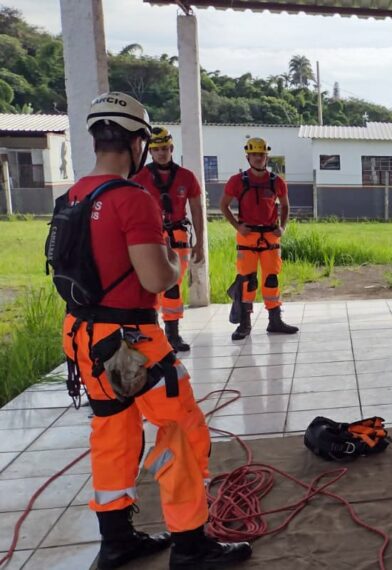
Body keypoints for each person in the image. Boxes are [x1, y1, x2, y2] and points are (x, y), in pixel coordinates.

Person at [64, 92, 250, 569]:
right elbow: (157, 279)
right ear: (138, 142)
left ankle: (116, 539)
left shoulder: (72, 196)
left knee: (113, 431)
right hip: (133, 342)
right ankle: (190, 545)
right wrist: (176, 260)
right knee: (181, 431)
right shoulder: (132, 199)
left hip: (83, 336)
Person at [131, 126, 204, 353]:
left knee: (173, 285)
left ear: (172, 149)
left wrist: (199, 242)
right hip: (149, 236)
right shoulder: (140, 177)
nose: (162, 153)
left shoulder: (186, 177)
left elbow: (197, 210)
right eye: (157, 149)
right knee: (148, 283)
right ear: (150, 152)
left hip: (178, 236)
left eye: (165, 148)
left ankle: (173, 334)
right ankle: (149, 329)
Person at [219, 137, 299, 340]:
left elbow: (286, 205)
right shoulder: (237, 181)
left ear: (266, 157)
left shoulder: (277, 181)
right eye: (254, 154)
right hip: (248, 237)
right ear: (248, 157)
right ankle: (244, 324)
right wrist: (238, 227)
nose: (258, 158)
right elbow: (224, 205)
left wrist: (282, 227)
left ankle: (275, 320)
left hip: (271, 236)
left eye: (261, 154)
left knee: (271, 279)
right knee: (247, 281)